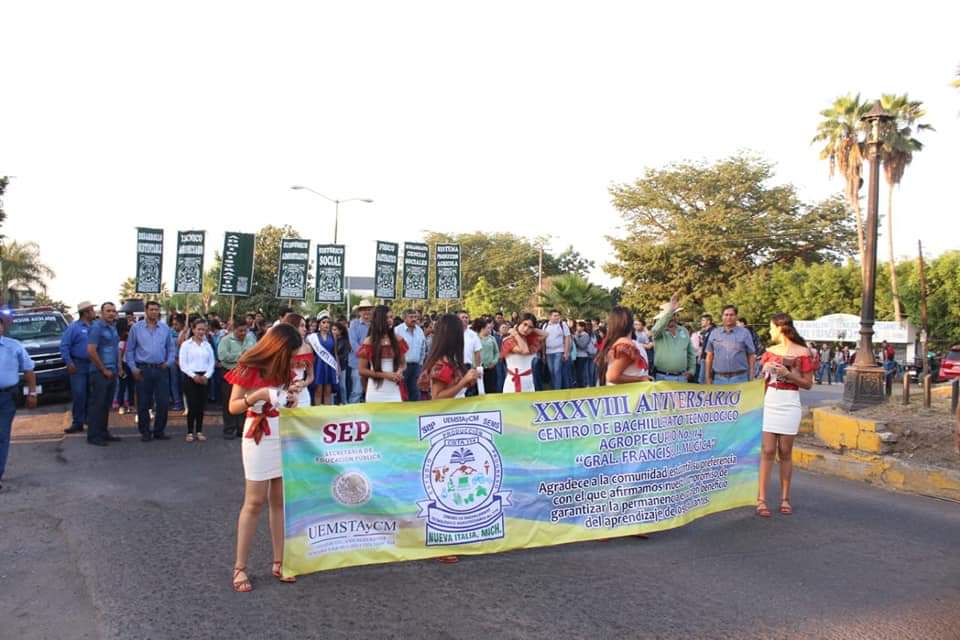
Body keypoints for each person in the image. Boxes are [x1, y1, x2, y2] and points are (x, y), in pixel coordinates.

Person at [226, 323, 303, 591]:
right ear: (278, 348)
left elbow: (285, 399)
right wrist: (257, 396)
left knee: (280, 499)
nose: (293, 359)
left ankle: (280, 561)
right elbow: (233, 406)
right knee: (254, 501)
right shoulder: (249, 366)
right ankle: (240, 567)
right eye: (290, 353)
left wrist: (291, 398)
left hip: (281, 430)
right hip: (258, 433)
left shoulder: (284, 369)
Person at [417, 314, 480, 564]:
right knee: (446, 484)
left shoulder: (451, 360)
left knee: (459, 483)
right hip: (445, 426)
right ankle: (441, 540)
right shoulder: (441, 363)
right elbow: (437, 397)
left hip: (457, 424)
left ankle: (457, 533)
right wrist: (464, 381)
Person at [757, 313, 815, 518]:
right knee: (767, 450)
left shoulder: (803, 352)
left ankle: (785, 498)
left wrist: (788, 374)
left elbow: (807, 383)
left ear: (780, 328)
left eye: (771, 327)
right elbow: (761, 380)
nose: (770, 331)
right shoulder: (770, 352)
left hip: (790, 401)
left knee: (785, 451)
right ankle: (761, 499)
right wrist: (766, 370)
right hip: (771, 399)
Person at [126, 301, 177, 442]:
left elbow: (171, 349)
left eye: (156, 310)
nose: (154, 312)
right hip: (143, 369)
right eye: (152, 309)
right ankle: (145, 432)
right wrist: (133, 368)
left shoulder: (165, 328)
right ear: (146, 310)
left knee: (163, 402)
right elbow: (129, 350)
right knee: (143, 402)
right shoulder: (136, 328)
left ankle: (159, 431)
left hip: (161, 369)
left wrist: (168, 363)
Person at [0, 311, 37, 492]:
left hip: (7, 397)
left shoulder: (14, 346)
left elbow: (28, 370)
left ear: (2, 328)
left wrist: (32, 393)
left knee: (2, 436)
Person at [85, 303, 122, 446]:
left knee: (106, 405)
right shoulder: (96, 328)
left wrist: (118, 367)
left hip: (112, 371)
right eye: (108, 311)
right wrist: (103, 369)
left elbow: (116, 348)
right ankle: (94, 436)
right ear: (101, 313)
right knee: (97, 405)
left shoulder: (113, 328)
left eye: (113, 311)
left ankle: (103, 432)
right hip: (99, 372)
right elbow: (91, 350)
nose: (111, 313)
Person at [358, 306, 407, 403]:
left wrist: (399, 371)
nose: (390, 320)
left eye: (391, 317)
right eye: (386, 318)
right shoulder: (369, 341)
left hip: (395, 390)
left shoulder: (398, 340)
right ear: (378, 320)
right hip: (375, 391)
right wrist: (386, 375)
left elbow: (403, 364)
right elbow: (362, 370)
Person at [178, 318, 215, 442]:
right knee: (192, 405)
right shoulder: (186, 345)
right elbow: (183, 364)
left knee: (201, 406)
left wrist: (206, 376)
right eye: (199, 329)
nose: (201, 332)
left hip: (204, 377)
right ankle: (189, 432)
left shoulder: (207, 345)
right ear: (193, 329)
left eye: (203, 329)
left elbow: (211, 362)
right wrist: (194, 376)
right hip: (190, 378)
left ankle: (199, 431)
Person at [60, 301, 95, 434]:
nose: (94, 312)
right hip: (78, 365)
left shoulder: (95, 326)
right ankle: (78, 422)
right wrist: (69, 363)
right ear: (85, 312)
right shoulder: (74, 328)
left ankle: (90, 420)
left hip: (93, 364)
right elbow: (64, 346)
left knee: (92, 394)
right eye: (92, 310)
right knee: (79, 394)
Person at [218, 318, 256, 439]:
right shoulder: (225, 340)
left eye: (245, 330)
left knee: (244, 401)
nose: (243, 333)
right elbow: (223, 356)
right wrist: (240, 356)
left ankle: (241, 428)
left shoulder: (251, 339)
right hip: (230, 373)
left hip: (246, 374)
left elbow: (255, 353)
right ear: (234, 330)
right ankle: (229, 429)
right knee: (229, 401)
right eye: (240, 331)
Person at [649, 294, 697, 382]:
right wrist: (670, 311)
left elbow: (691, 353)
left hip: (682, 377)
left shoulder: (684, 330)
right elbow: (654, 330)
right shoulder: (660, 332)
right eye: (670, 315)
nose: (672, 318)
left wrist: (692, 370)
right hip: (662, 377)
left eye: (674, 315)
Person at [598, 307, 650, 386]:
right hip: (626, 391)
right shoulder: (626, 345)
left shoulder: (618, 343)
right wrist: (641, 379)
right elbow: (612, 377)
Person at [705, 305, 756, 385]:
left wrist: (751, 377)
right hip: (719, 379)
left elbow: (751, 355)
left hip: (740, 378)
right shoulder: (714, 333)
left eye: (731, 315)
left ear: (736, 316)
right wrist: (708, 378)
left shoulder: (745, 333)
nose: (728, 317)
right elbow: (709, 356)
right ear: (722, 317)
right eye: (726, 315)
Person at [501, 314, 546, 393]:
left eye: (530, 327)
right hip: (513, 382)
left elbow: (545, 334)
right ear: (519, 323)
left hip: (528, 380)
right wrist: (516, 334)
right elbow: (524, 350)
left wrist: (532, 329)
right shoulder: (508, 340)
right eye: (524, 324)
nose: (526, 329)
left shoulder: (529, 340)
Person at [307, 313, 338, 406]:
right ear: (319, 324)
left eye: (328, 322)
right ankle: (317, 412)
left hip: (330, 365)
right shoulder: (313, 337)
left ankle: (327, 412)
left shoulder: (333, 336)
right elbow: (310, 354)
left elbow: (335, 353)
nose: (326, 324)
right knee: (318, 390)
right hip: (318, 365)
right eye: (323, 322)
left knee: (328, 391)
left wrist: (338, 368)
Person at [284, 314, 314, 409]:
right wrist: (287, 388)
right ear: (292, 327)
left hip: (302, 394)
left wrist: (303, 384)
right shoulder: (281, 348)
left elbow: (310, 376)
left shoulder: (308, 348)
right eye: (301, 326)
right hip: (282, 393)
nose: (305, 329)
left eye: (305, 326)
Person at [396, 309, 426, 401]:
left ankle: (415, 410)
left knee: (415, 392)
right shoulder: (397, 330)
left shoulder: (419, 331)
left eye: (415, 317)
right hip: (402, 367)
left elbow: (423, 348)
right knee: (401, 392)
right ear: (404, 318)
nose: (414, 319)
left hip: (416, 366)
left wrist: (420, 364)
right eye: (411, 317)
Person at [348, 300, 373, 403]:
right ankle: (353, 411)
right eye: (363, 310)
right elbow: (353, 343)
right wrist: (366, 355)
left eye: (368, 309)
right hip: (357, 363)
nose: (366, 312)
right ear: (359, 312)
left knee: (371, 390)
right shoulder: (354, 324)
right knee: (357, 391)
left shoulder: (375, 324)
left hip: (373, 363)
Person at [543, 310, 571, 390]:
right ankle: (553, 388)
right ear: (550, 316)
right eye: (555, 315)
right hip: (548, 352)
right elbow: (543, 340)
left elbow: (567, 338)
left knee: (557, 371)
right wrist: (543, 353)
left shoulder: (563, 324)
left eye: (558, 315)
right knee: (551, 371)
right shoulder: (545, 325)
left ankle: (557, 390)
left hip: (559, 351)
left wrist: (566, 353)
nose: (557, 317)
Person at [457, 311, 482, 396]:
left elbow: (477, 352)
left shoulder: (473, 334)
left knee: (468, 391)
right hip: (454, 366)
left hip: (467, 366)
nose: (465, 319)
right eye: (462, 317)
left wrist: (478, 368)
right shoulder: (451, 333)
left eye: (466, 317)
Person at [475, 318, 500, 395]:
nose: (490, 329)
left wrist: (494, 362)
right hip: (478, 370)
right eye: (488, 328)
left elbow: (497, 352)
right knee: (478, 391)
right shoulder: (475, 338)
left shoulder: (492, 338)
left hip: (491, 369)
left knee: (491, 390)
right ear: (482, 329)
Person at [168, 313, 186, 412]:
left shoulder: (186, 333)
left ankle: (185, 403)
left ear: (182, 324)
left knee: (183, 382)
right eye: (173, 324)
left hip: (184, 362)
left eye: (176, 324)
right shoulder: (170, 333)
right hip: (173, 361)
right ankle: (177, 402)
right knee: (174, 382)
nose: (174, 326)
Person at [573, 321, 596, 388]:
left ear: (583, 327)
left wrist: (576, 337)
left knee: (581, 372)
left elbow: (582, 346)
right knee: (577, 372)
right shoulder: (577, 334)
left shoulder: (586, 335)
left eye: (578, 326)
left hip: (582, 356)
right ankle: (579, 384)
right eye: (577, 326)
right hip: (577, 355)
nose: (577, 328)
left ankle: (582, 385)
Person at [333, 321, 351, 404]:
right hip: (332, 365)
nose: (333, 331)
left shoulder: (344, 341)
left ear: (340, 331)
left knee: (342, 385)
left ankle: (344, 402)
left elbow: (343, 355)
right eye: (332, 329)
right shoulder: (331, 339)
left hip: (341, 366)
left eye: (335, 330)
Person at [697, 314, 715, 383]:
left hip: (708, 359)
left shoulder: (713, 331)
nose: (701, 322)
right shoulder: (706, 332)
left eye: (703, 320)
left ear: (708, 321)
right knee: (702, 379)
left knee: (704, 380)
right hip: (704, 358)